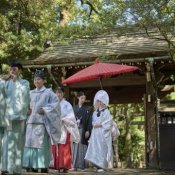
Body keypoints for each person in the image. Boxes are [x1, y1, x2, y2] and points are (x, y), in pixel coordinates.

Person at [23, 70, 61, 173]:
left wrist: (45, 109)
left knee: (41, 145)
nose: (36, 81)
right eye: (35, 79)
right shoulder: (30, 93)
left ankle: (43, 165)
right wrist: (26, 109)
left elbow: (56, 104)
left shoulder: (48, 92)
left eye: (39, 79)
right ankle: (31, 165)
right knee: (30, 144)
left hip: (41, 123)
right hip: (30, 123)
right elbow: (25, 104)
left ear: (44, 80)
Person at [1, 61, 30, 175]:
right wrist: (2, 80)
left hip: (19, 118)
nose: (12, 71)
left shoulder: (25, 83)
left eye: (15, 69)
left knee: (17, 143)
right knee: (7, 143)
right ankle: (5, 167)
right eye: (11, 69)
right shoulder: (6, 83)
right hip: (8, 118)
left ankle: (16, 169)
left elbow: (25, 96)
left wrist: (15, 82)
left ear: (19, 71)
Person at [51, 86, 80, 173]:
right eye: (57, 92)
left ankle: (65, 166)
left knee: (64, 146)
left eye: (60, 92)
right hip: (55, 128)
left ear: (63, 94)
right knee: (55, 146)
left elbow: (71, 117)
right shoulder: (52, 104)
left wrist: (63, 119)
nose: (58, 94)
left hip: (64, 127)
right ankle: (56, 165)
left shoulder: (67, 104)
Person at [85, 90, 113, 173]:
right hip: (95, 133)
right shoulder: (94, 112)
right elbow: (93, 121)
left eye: (101, 101)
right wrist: (94, 124)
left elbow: (109, 122)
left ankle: (102, 165)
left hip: (102, 132)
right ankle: (97, 165)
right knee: (96, 148)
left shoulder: (106, 112)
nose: (100, 103)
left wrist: (100, 125)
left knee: (102, 148)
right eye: (98, 101)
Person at [72, 91, 92, 171]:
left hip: (83, 129)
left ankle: (83, 165)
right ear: (78, 98)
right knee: (75, 146)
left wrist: (88, 130)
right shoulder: (74, 108)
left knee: (82, 146)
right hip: (75, 129)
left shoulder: (87, 109)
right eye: (81, 98)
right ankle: (75, 165)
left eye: (84, 98)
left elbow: (89, 121)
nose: (83, 100)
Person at [0, 79, 8, 173]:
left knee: (6, 144)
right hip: (5, 118)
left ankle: (4, 167)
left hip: (6, 119)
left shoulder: (5, 83)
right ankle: (3, 167)